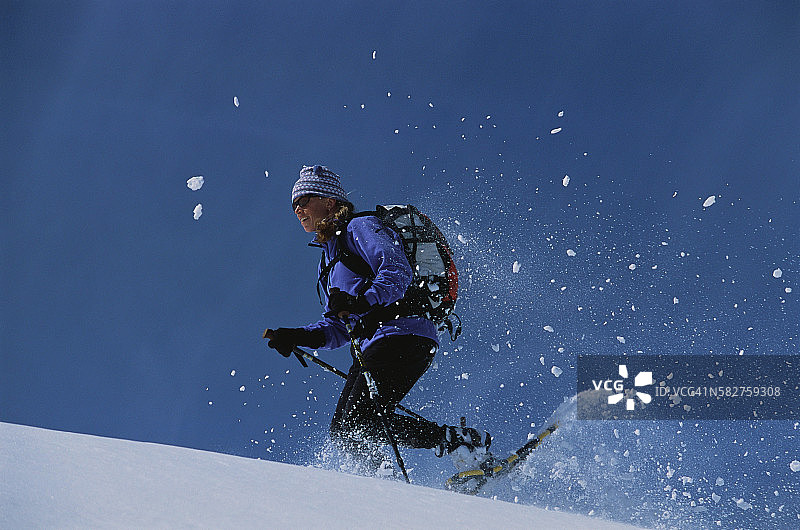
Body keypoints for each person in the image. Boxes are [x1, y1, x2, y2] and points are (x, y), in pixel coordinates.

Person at [265, 164, 489, 476]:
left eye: (305, 200)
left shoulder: (361, 227)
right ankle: (377, 483)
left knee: (358, 423)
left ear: (329, 201)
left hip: (404, 333)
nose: (298, 209)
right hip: (372, 344)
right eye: (294, 205)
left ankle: (454, 442)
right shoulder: (328, 262)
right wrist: (296, 336)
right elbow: (338, 326)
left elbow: (396, 271)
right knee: (343, 432)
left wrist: (361, 301)